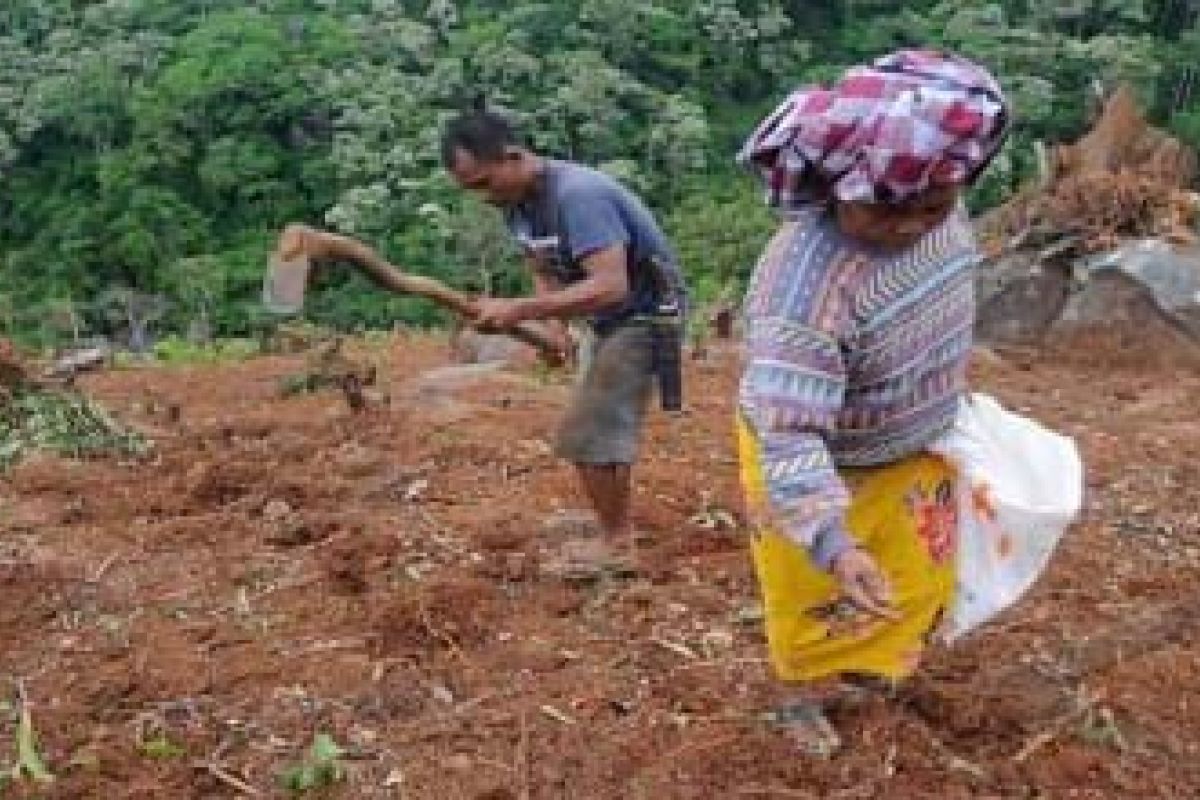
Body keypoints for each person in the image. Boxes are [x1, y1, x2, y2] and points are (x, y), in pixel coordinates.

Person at [734, 50, 1010, 752]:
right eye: (882, 208)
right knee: (812, 592)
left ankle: (874, 673)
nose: (909, 224)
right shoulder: (803, 295)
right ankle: (798, 697)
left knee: (915, 571)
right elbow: (791, 434)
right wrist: (830, 537)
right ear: (833, 184)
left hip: (915, 444)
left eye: (933, 206)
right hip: (822, 464)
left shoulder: (936, 201)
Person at [441, 103, 686, 574]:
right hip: (605, 319)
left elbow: (610, 284)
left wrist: (518, 311)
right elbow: (541, 267)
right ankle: (616, 527)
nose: (481, 196)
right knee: (600, 431)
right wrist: (554, 332)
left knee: (585, 432)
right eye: (470, 189)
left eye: (483, 183)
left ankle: (617, 546)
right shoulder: (516, 205)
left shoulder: (579, 196)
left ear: (512, 156)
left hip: (646, 316)